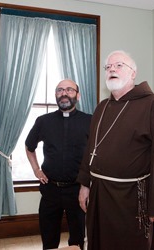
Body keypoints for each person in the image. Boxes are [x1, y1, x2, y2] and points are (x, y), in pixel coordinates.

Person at [77, 50, 154, 249]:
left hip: (131, 196)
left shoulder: (151, 104)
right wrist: (84, 184)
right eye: (108, 67)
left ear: (133, 73)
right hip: (99, 192)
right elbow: (91, 149)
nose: (112, 69)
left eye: (119, 65)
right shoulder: (102, 107)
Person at [25, 79, 92, 250]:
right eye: (60, 90)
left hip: (77, 190)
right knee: (49, 239)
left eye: (69, 90)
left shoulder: (90, 121)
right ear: (56, 95)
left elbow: (96, 154)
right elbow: (29, 146)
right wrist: (36, 170)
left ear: (78, 95)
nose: (64, 93)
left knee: (77, 240)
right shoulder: (43, 121)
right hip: (50, 190)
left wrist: (88, 184)